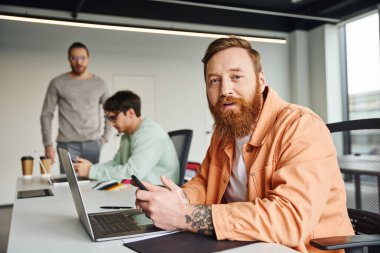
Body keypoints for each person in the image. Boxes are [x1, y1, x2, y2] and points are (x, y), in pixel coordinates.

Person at [134, 36, 354, 253]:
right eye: (214, 80)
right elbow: (203, 181)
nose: (225, 90)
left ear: (260, 81)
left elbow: (289, 220)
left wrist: (184, 215)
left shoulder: (301, 126)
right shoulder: (223, 133)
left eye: (236, 76)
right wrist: (179, 199)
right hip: (245, 244)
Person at [73, 90, 180, 185]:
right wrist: (92, 169)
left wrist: (91, 171)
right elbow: (116, 163)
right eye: (108, 118)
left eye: (113, 118)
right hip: (141, 190)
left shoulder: (149, 134)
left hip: (160, 192)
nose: (111, 124)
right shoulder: (128, 134)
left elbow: (132, 173)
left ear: (131, 113)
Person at [41, 42, 111, 173]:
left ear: (88, 58)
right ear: (68, 59)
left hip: (93, 143)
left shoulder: (100, 83)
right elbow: (46, 114)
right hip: (67, 144)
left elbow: (110, 111)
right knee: (69, 185)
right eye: (74, 58)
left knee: (91, 184)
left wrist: (105, 137)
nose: (79, 62)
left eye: (82, 58)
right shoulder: (57, 83)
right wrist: (47, 143)